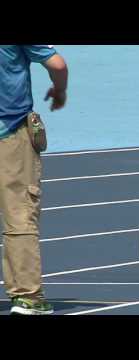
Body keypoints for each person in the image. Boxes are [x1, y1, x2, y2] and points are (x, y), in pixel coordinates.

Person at [0, 45, 68, 315]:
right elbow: (58, 65)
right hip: (10, 131)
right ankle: (27, 296)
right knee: (19, 214)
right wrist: (59, 90)